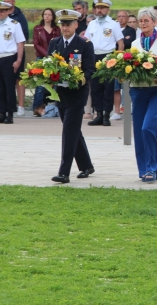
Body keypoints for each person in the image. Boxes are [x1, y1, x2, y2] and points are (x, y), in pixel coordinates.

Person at [48, 10, 96, 184]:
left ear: (76, 25)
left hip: (77, 94)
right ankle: (86, 165)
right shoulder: (54, 43)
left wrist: (79, 80)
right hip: (61, 94)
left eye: (68, 24)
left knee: (68, 131)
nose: (65, 27)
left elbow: (90, 69)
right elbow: (48, 64)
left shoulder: (84, 44)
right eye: (62, 24)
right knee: (74, 131)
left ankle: (64, 172)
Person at [126, 7, 157, 182]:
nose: (143, 24)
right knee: (138, 131)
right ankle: (144, 169)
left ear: (155, 22)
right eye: (141, 21)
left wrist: (156, 74)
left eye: (147, 20)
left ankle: (154, 164)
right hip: (138, 90)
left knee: (148, 128)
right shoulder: (135, 44)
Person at [85, 0, 124, 126]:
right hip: (94, 57)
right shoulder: (92, 24)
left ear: (108, 9)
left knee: (108, 87)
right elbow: (87, 42)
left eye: (102, 8)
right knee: (95, 87)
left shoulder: (113, 24)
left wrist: (117, 59)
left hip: (108, 57)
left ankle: (107, 115)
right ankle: (99, 114)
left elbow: (120, 43)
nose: (99, 10)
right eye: (97, 8)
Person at [0, 1, 26, 124]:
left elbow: (20, 43)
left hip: (9, 57)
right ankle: (2, 112)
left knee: (9, 87)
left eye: (2, 11)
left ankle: (10, 113)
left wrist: (18, 59)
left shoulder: (14, 24)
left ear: (8, 11)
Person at [3, 0, 29, 117]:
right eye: (5, 1)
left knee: (19, 79)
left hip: (17, 52)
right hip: (3, 54)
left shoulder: (20, 17)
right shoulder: (0, 17)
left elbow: (24, 37)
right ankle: (6, 106)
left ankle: (21, 106)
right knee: (6, 80)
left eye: (9, 1)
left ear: (14, 2)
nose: (7, 3)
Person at [32, 8, 61, 115]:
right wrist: (47, 54)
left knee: (56, 83)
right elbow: (36, 44)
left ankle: (56, 107)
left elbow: (59, 43)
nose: (47, 16)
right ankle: (37, 108)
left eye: (49, 14)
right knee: (40, 85)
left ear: (53, 17)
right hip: (41, 59)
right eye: (45, 14)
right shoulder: (37, 29)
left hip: (54, 59)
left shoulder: (56, 29)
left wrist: (53, 56)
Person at [110, 10, 138, 121]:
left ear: (127, 18)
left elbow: (128, 43)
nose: (121, 18)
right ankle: (116, 111)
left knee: (126, 87)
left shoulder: (130, 30)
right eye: (119, 16)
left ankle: (126, 108)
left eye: (123, 16)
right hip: (114, 61)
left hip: (126, 61)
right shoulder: (113, 29)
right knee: (115, 88)